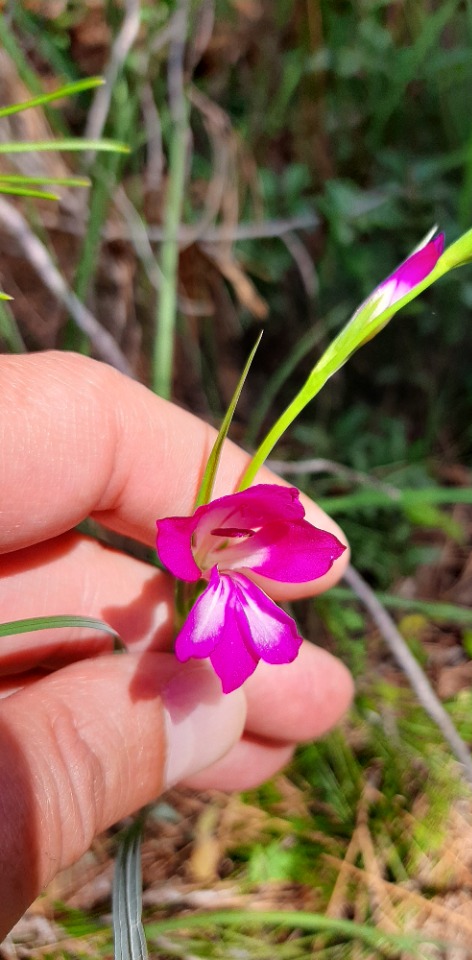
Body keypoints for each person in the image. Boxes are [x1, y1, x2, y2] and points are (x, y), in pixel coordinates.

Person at [0, 351, 353, 938]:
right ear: (196, 537)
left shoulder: (230, 571)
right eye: (213, 540)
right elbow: (180, 540)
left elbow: (307, 547)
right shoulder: (188, 544)